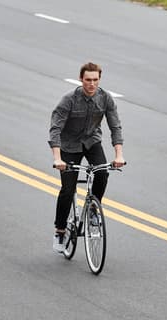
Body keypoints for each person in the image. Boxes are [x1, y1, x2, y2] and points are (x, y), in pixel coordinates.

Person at [49, 61, 125, 253]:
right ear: (81, 79)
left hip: (92, 142)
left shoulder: (105, 98)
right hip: (69, 146)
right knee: (68, 189)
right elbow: (55, 129)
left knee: (102, 173)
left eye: (95, 80)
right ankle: (59, 230)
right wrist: (58, 159)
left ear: (99, 80)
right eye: (88, 80)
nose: (92, 84)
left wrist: (119, 155)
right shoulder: (69, 100)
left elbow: (115, 127)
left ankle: (93, 211)